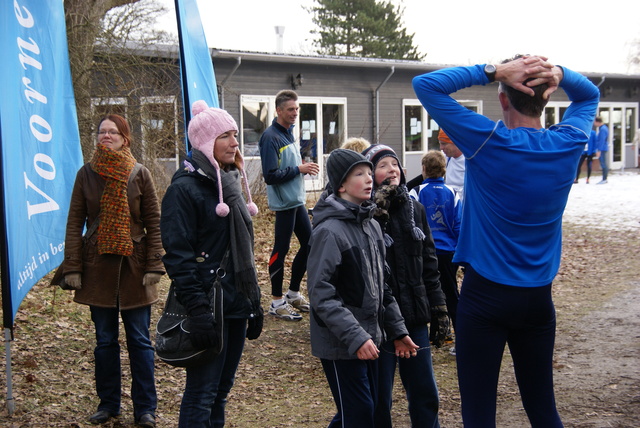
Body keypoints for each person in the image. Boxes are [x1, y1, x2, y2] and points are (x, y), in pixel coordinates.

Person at [412, 55, 599, 427]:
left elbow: (426, 85)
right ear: (547, 99)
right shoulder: (567, 143)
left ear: (502, 99)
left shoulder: (487, 141)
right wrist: (559, 73)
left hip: (486, 300)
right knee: (543, 409)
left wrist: (492, 71)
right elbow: (589, 95)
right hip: (537, 302)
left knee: (479, 414)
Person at [160, 100, 262, 427]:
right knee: (202, 392)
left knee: (221, 390)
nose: (235, 142)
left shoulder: (229, 184)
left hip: (234, 304)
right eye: (226, 136)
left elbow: (242, 253)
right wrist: (199, 310)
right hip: (207, 307)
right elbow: (178, 256)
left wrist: (253, 302)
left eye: (235, 134)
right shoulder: (183, 190)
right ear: (206, 143)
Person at [62, 114, 164, 427]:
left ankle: (145, 409)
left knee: (140, 341)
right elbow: (74, 222)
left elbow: (154, 222)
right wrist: (73, 267)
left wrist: (155, 264)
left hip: (135, 268)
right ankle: (109, 404)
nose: (106, 136)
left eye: (113, 132)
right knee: (105, 341)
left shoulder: (140, 173)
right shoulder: (86, 174)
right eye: (102, 132)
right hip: (97, 269)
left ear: (125, 137)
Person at [307, 148, 419, 428]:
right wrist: (355, 337)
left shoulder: (371, 226)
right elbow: (321, 293)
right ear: (341, 184)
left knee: (366, 413)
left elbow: (384, 287)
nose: (369, 179)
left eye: (370, 173)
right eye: (359, 174)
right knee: (359, 414)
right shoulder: (328, 231)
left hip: (372, 339)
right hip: (341, 344)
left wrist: (399, 330)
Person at [361, 144, 448, 428]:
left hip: (415, 317)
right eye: (383, 165)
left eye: (394, 164)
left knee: (425, 393)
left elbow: (430, 266)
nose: (392, 170)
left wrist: (439, 309)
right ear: (370, 174)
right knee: (378, 399)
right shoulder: (364, 214)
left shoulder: (416, 209)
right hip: (380, 324)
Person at [259, 89, 320, 321]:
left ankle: (293, 293)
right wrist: (299, 169)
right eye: (290, 109)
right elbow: (270, 175)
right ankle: (276, 302)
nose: (295, 113)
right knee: (280, 250)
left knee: (310, 244)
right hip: (285, 204)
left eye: (297, 109)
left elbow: (287, 164)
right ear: (279, 111)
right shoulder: (271, 137)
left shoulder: (288, 133)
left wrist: (300, 165)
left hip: (297, 201)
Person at [410, 150, 462, 335]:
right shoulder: (453, 193)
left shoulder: (415, 193)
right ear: (444, 170)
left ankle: (432, 334)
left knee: (424, 292)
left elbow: (411, 224)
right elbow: (458, 226)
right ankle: (458, 335)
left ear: (423, 169)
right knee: (450, 294)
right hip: (448, 253)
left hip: (425, 253)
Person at [437, 129, 466, 200]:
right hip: (450, 206)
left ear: (455, 142)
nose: (441, 148)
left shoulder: (470, 160)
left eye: (444, 144)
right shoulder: (444, 158)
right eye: (440, 144)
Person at [594, 116, 610, 184]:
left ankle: (604, 179)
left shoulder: (603, 129)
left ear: (598, 122)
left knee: (603, 164)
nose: (594, 124)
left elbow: (601, 140)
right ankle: (604, 178)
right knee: (603, 163)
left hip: (602, 149)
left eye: (594, 122)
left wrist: (599, 150)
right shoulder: (603, 128)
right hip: (603, 148)